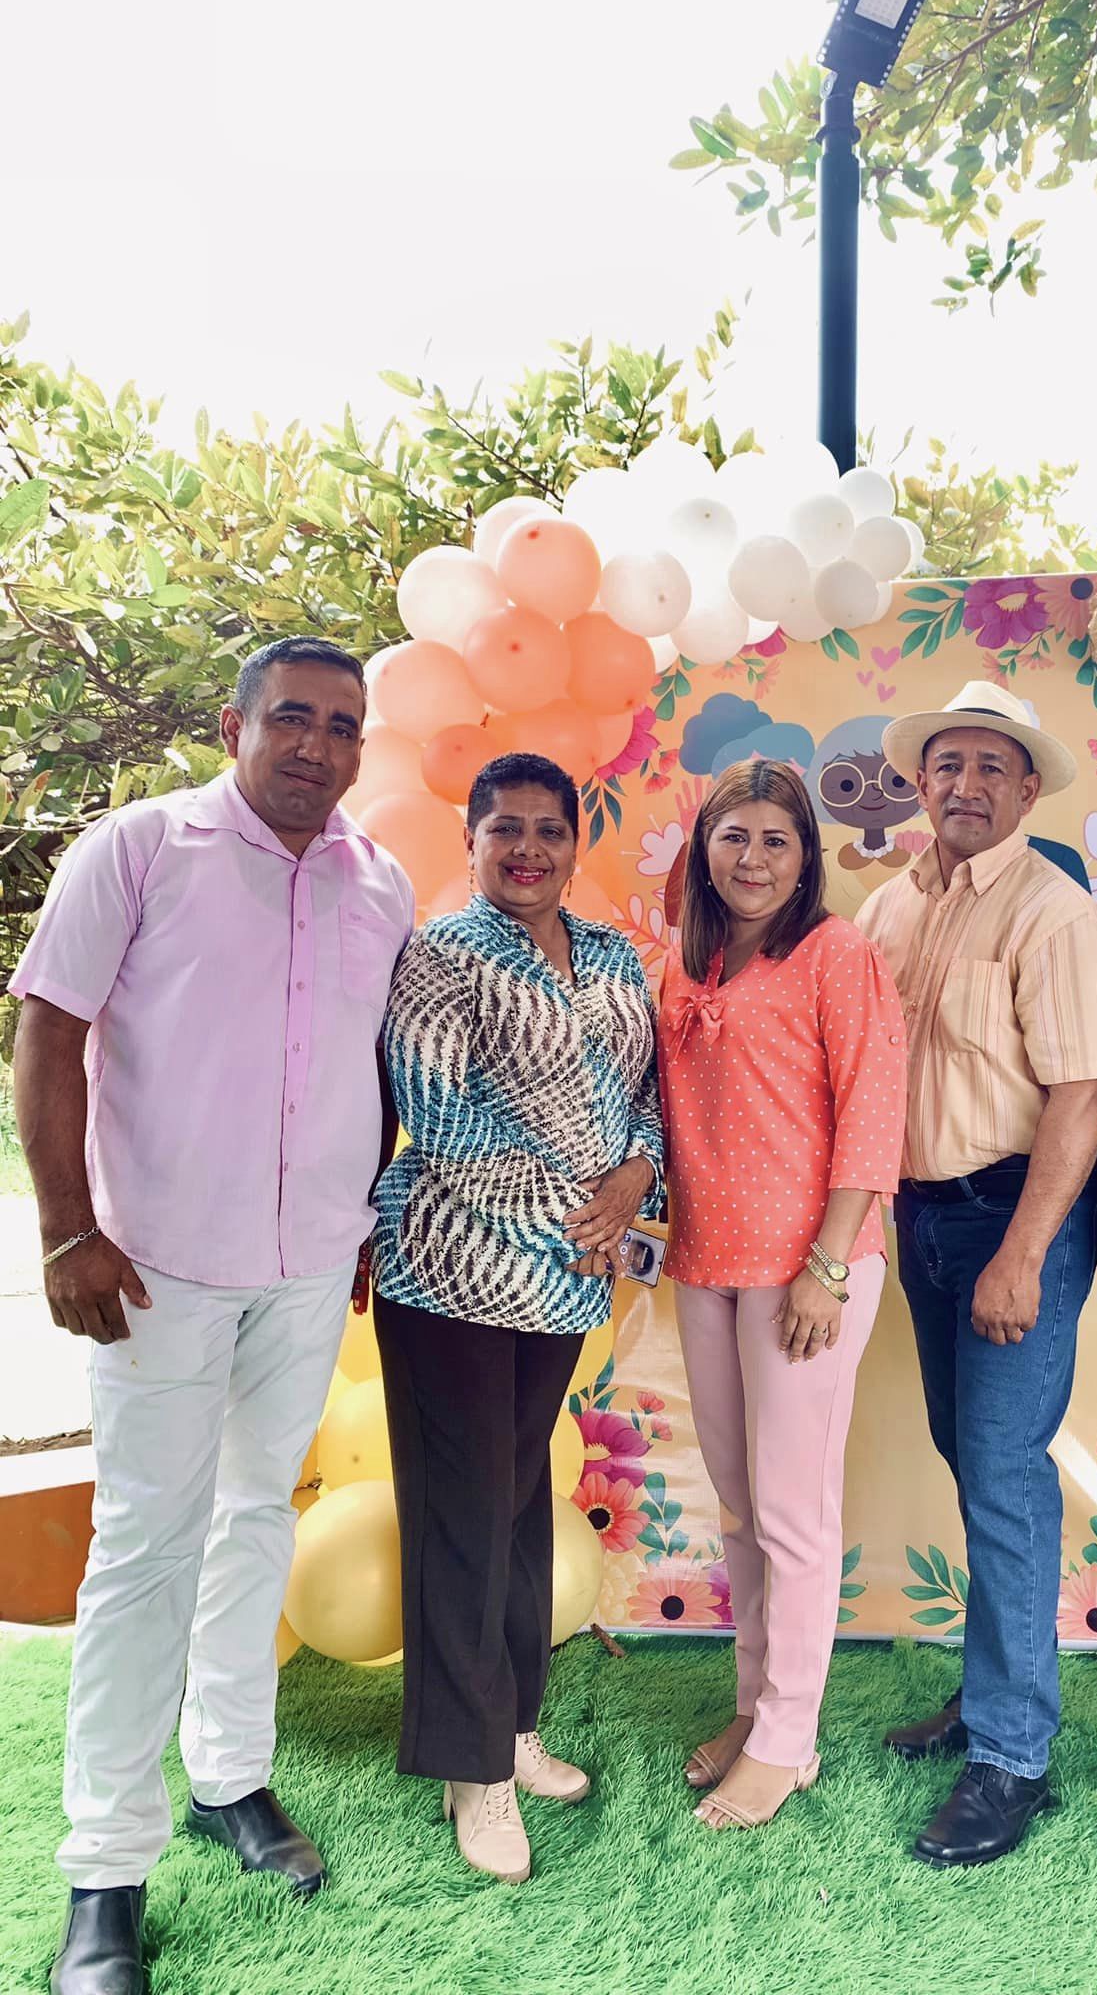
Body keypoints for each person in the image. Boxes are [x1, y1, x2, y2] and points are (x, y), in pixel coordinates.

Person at [11, 637, 413, 1995]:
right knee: (145, 1549)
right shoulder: (137, 850)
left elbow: (375, 1061)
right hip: (155, 1269)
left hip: (308, 1267)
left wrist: (360, 1211)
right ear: (234, 725)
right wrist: (67, 1227)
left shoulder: (380, 881)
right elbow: (49, 1030)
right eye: (291, 717)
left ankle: (231, 1778)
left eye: (342, 725)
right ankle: (103, 1872)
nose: (316, 744)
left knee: (257, 1518)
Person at [369, 751, 664, 1885]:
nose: (528, 848)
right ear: (472, 839)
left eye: (549, 829)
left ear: (576, 845)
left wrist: (635, 1180)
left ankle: (515, 1719)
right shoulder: (441, 955)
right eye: (506, 829)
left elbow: (646, 1096)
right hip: (452, 1268)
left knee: (518, 1498)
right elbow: (442, 1116)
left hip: (565, 1282)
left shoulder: (610, 955)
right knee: (462, 1510)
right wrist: (583, 1220)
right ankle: (470, 1763)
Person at [855, 679, 1097, 1869]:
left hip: (1016, 1219)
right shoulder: (887, 908)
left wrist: (1022, 1251)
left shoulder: (1055, 913)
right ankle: (988, 1695)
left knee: (1006, 1476)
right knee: (974, 1461)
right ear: (920, 782)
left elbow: (1083, 1093)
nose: (964, 783)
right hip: (921, 1218)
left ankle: (1014, 1756)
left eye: (989, 766)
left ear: (1025, 788)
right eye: (946, 764)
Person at [658, 759, 905, 1830]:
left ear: (806, 857)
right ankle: (755, 1704)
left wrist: (829, 1266)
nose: (752, 858)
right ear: (704, 849)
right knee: (740, 1504)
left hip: (808, 1269)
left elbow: (874, 1111)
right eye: (734, 836)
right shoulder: (685, 963)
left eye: (776, 839)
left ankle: (787, 1738)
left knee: (793, 1512)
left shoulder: (835, 953)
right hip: (705, 1262)